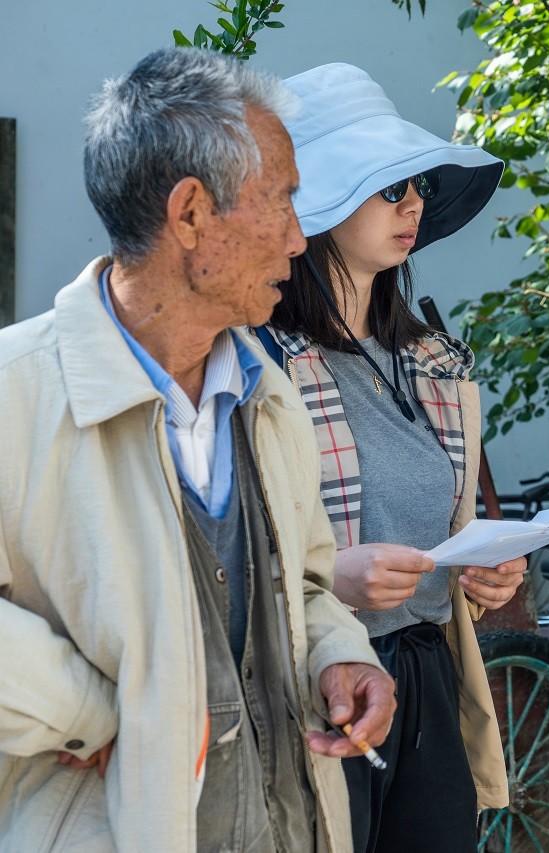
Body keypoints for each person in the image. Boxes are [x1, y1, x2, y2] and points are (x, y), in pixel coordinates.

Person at [0, 48, 397, 852]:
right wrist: (83, 711)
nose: (298, 237)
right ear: (189, 215)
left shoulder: (270, 395)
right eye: (281, 200)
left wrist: (340, 656)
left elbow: (311, 581)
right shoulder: (16, 394)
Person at [259, 63, 523, 852]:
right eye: (388, 187)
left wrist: (484, 575)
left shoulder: (433, 360)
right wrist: (330, 574)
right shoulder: (260, 361)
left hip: (428, 680)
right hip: (315, 687)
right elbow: (214, 547)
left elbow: (440, 532)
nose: (412, 203)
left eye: (416, 186)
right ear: (325, 201)